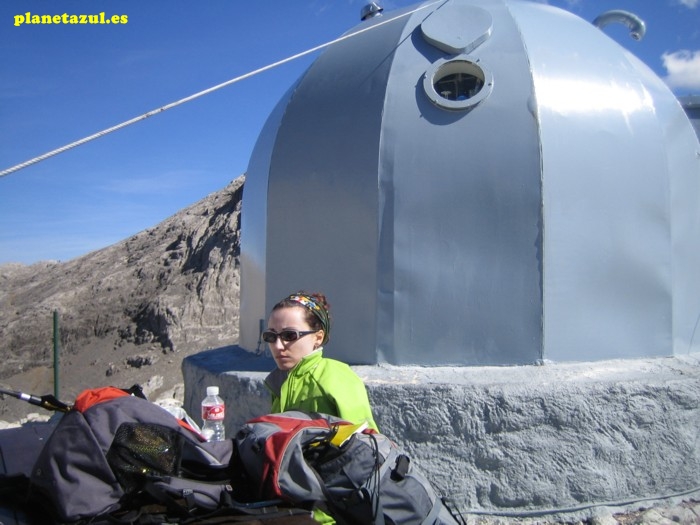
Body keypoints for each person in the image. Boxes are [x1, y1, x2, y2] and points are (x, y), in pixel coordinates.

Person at [263, 291, 378, 431]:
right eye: (271, 336)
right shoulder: (278, 381)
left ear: (318, 337)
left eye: (289, 335)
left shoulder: (337, 377)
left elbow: (364, 442)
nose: (278, 346)